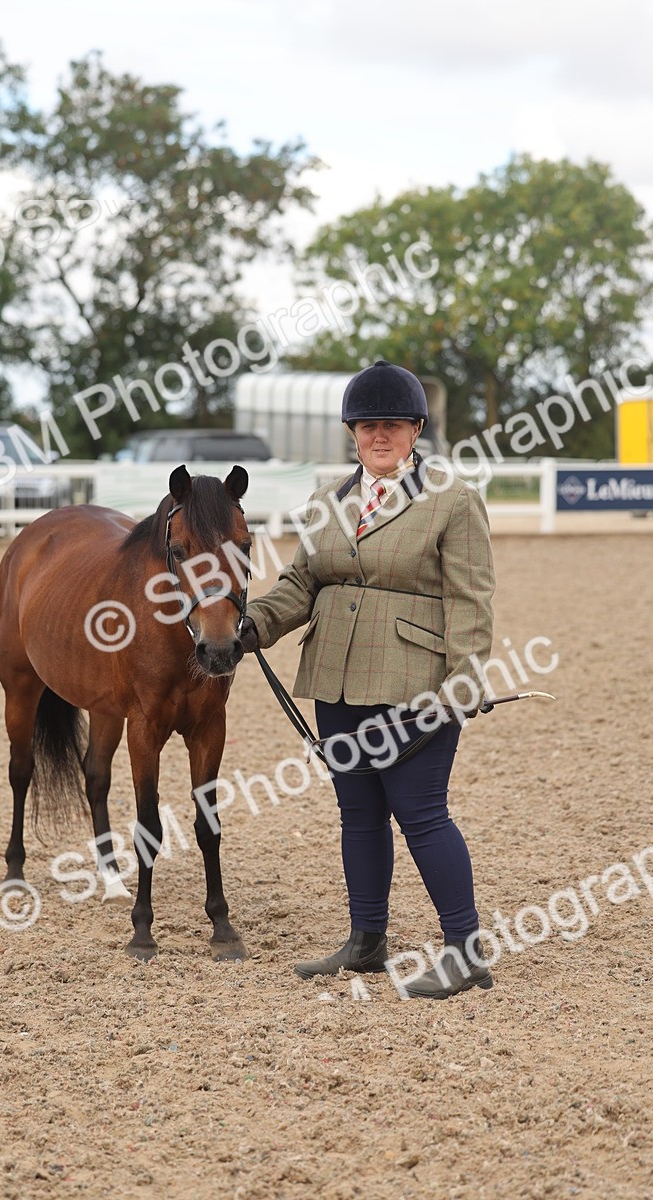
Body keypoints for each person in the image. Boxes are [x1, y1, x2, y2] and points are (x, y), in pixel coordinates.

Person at [239, 360, 496, 1000]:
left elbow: (472, 600)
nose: (379, 436)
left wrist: (465, 680)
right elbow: (303, 583)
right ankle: (367, 940)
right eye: (367, 424)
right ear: (352, 431)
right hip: (337, 677)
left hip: (416, 682)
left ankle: (466, 953)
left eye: (393, 424)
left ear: (415, 431)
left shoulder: (452, 502)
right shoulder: (328, 502)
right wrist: (254, 625)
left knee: (422, 814)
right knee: (358, 814)